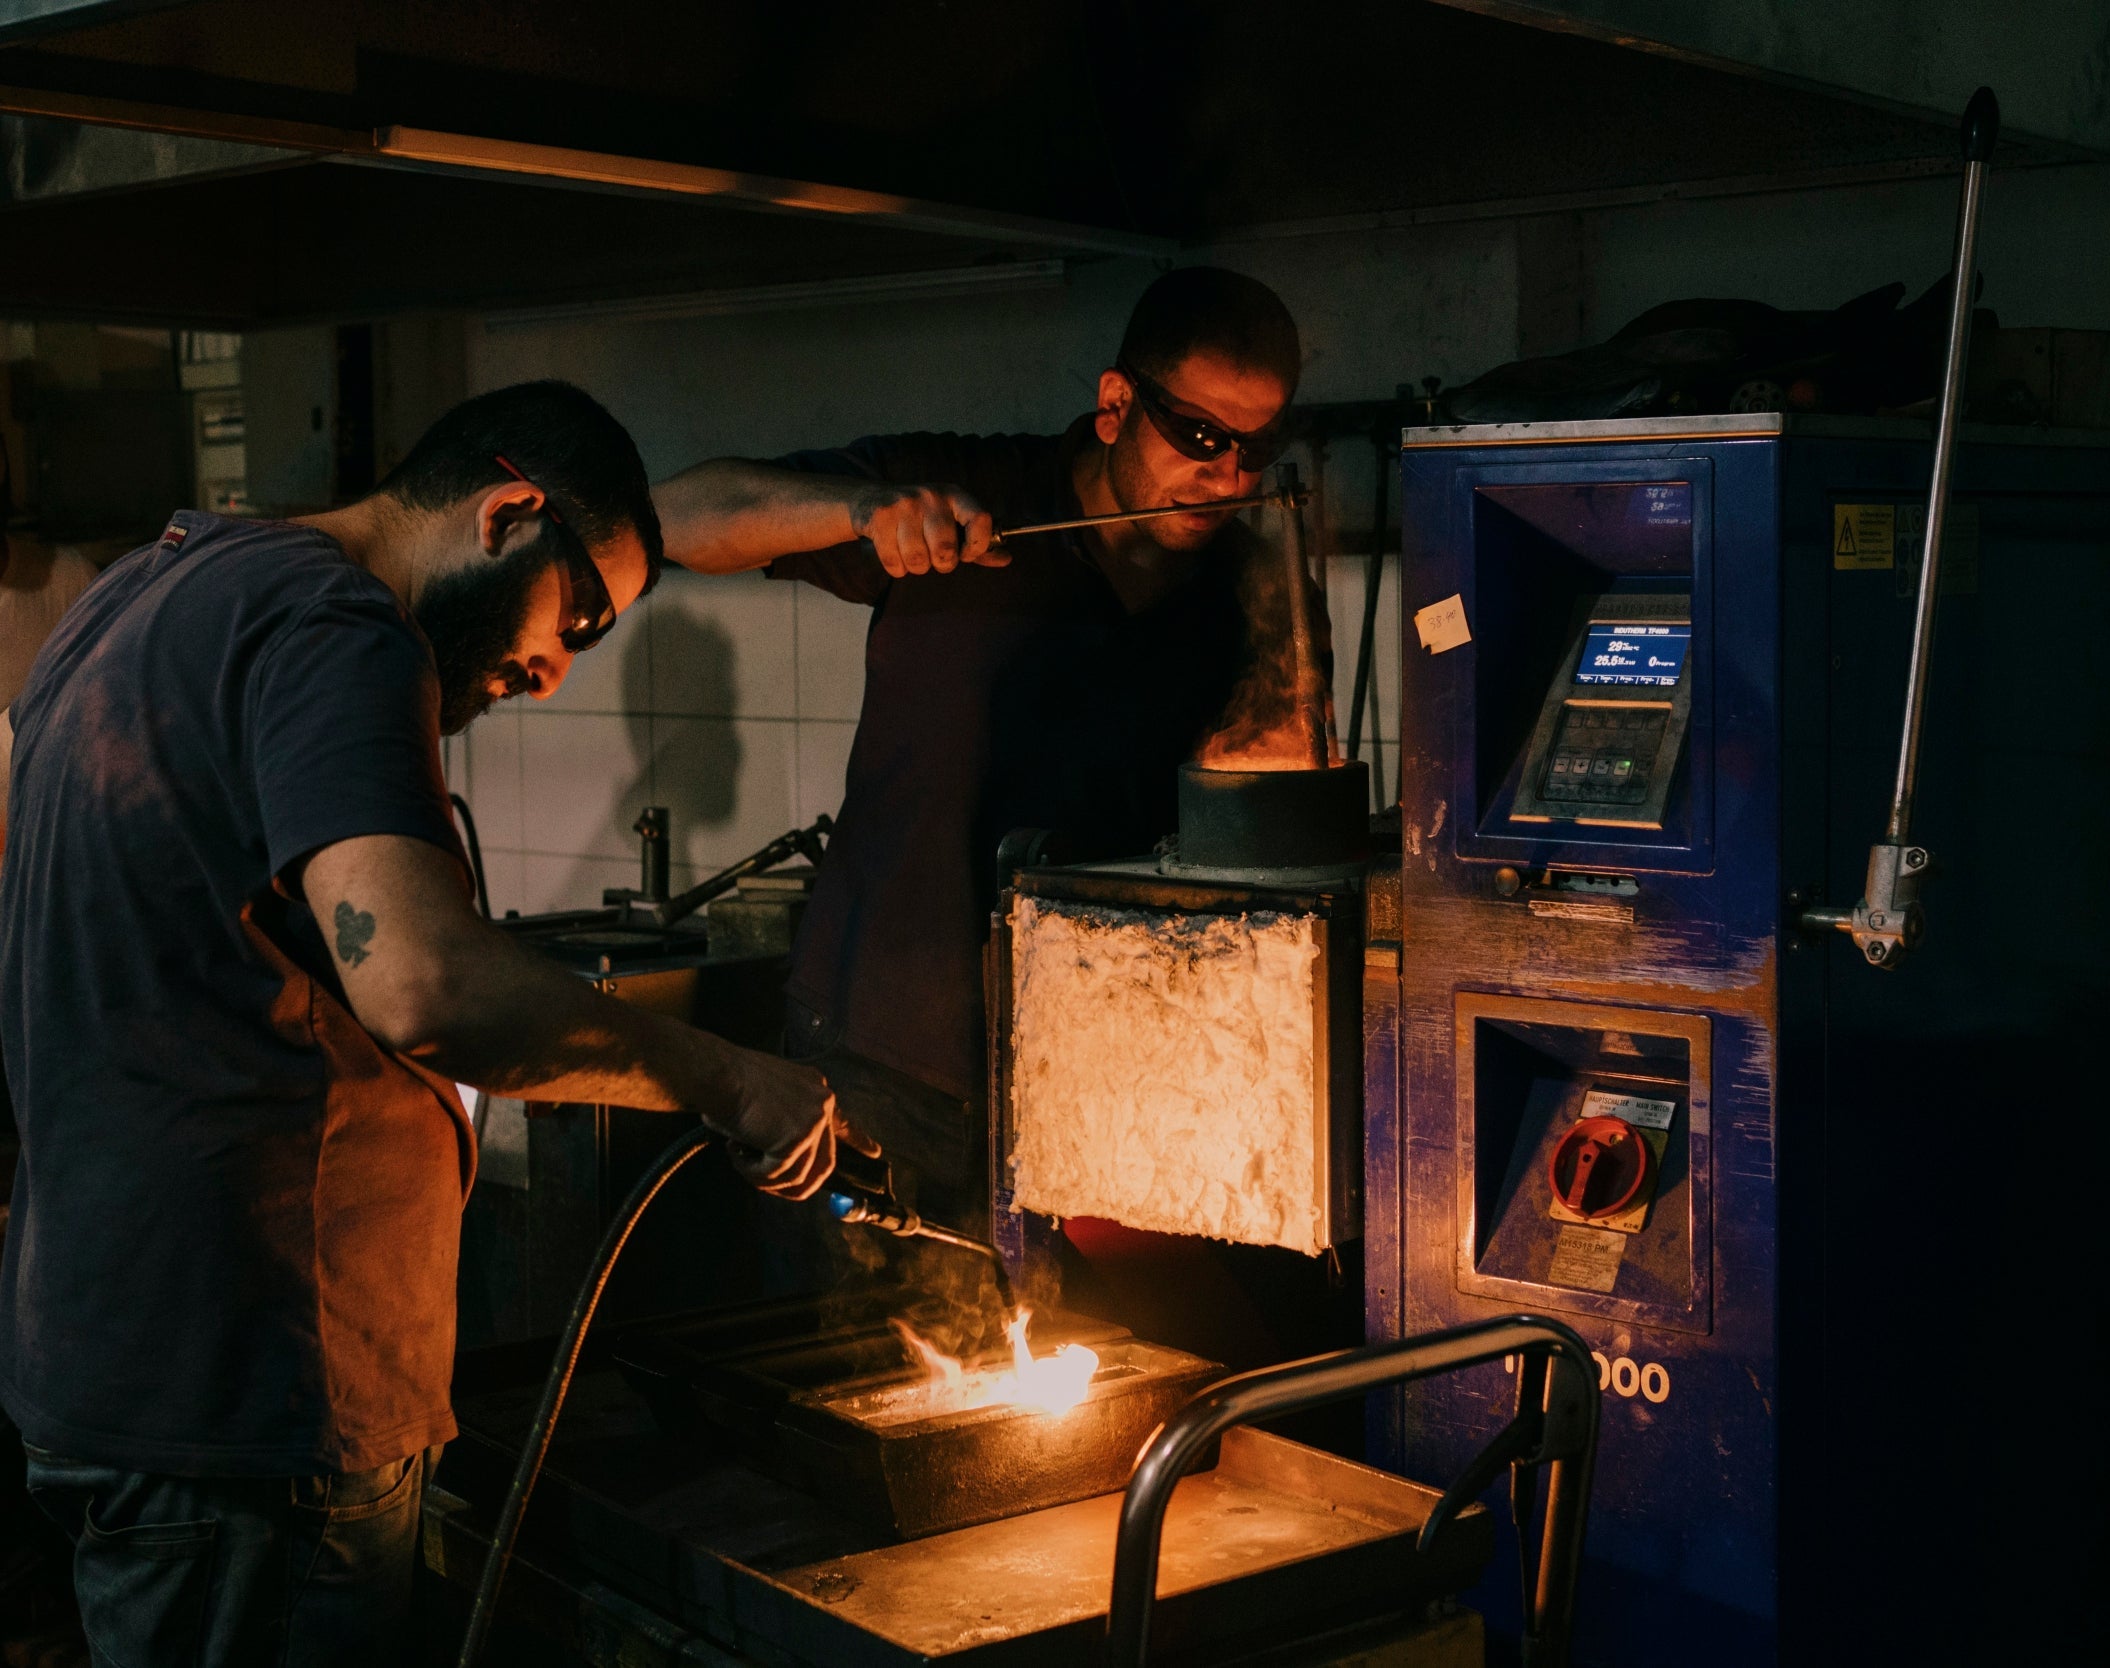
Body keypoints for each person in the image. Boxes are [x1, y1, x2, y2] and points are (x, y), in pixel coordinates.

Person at [0, 380, 863, 1667]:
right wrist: (728, 1081)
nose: (551, 671)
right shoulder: (338, 621)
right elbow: (421, 985)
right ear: (510, 513)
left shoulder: (140, 591)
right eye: (577, 618)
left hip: (115, 1360)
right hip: (257, 1395)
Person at [656, 267, 1312, 1222]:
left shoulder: (1246, 584)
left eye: (1259, 446)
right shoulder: (972, 496)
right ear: (1116, 402)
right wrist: (861, 513)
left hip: (1118, 1072)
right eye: (1200, 437)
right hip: (889, 1063)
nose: (1230, 477)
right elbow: (678, 517)